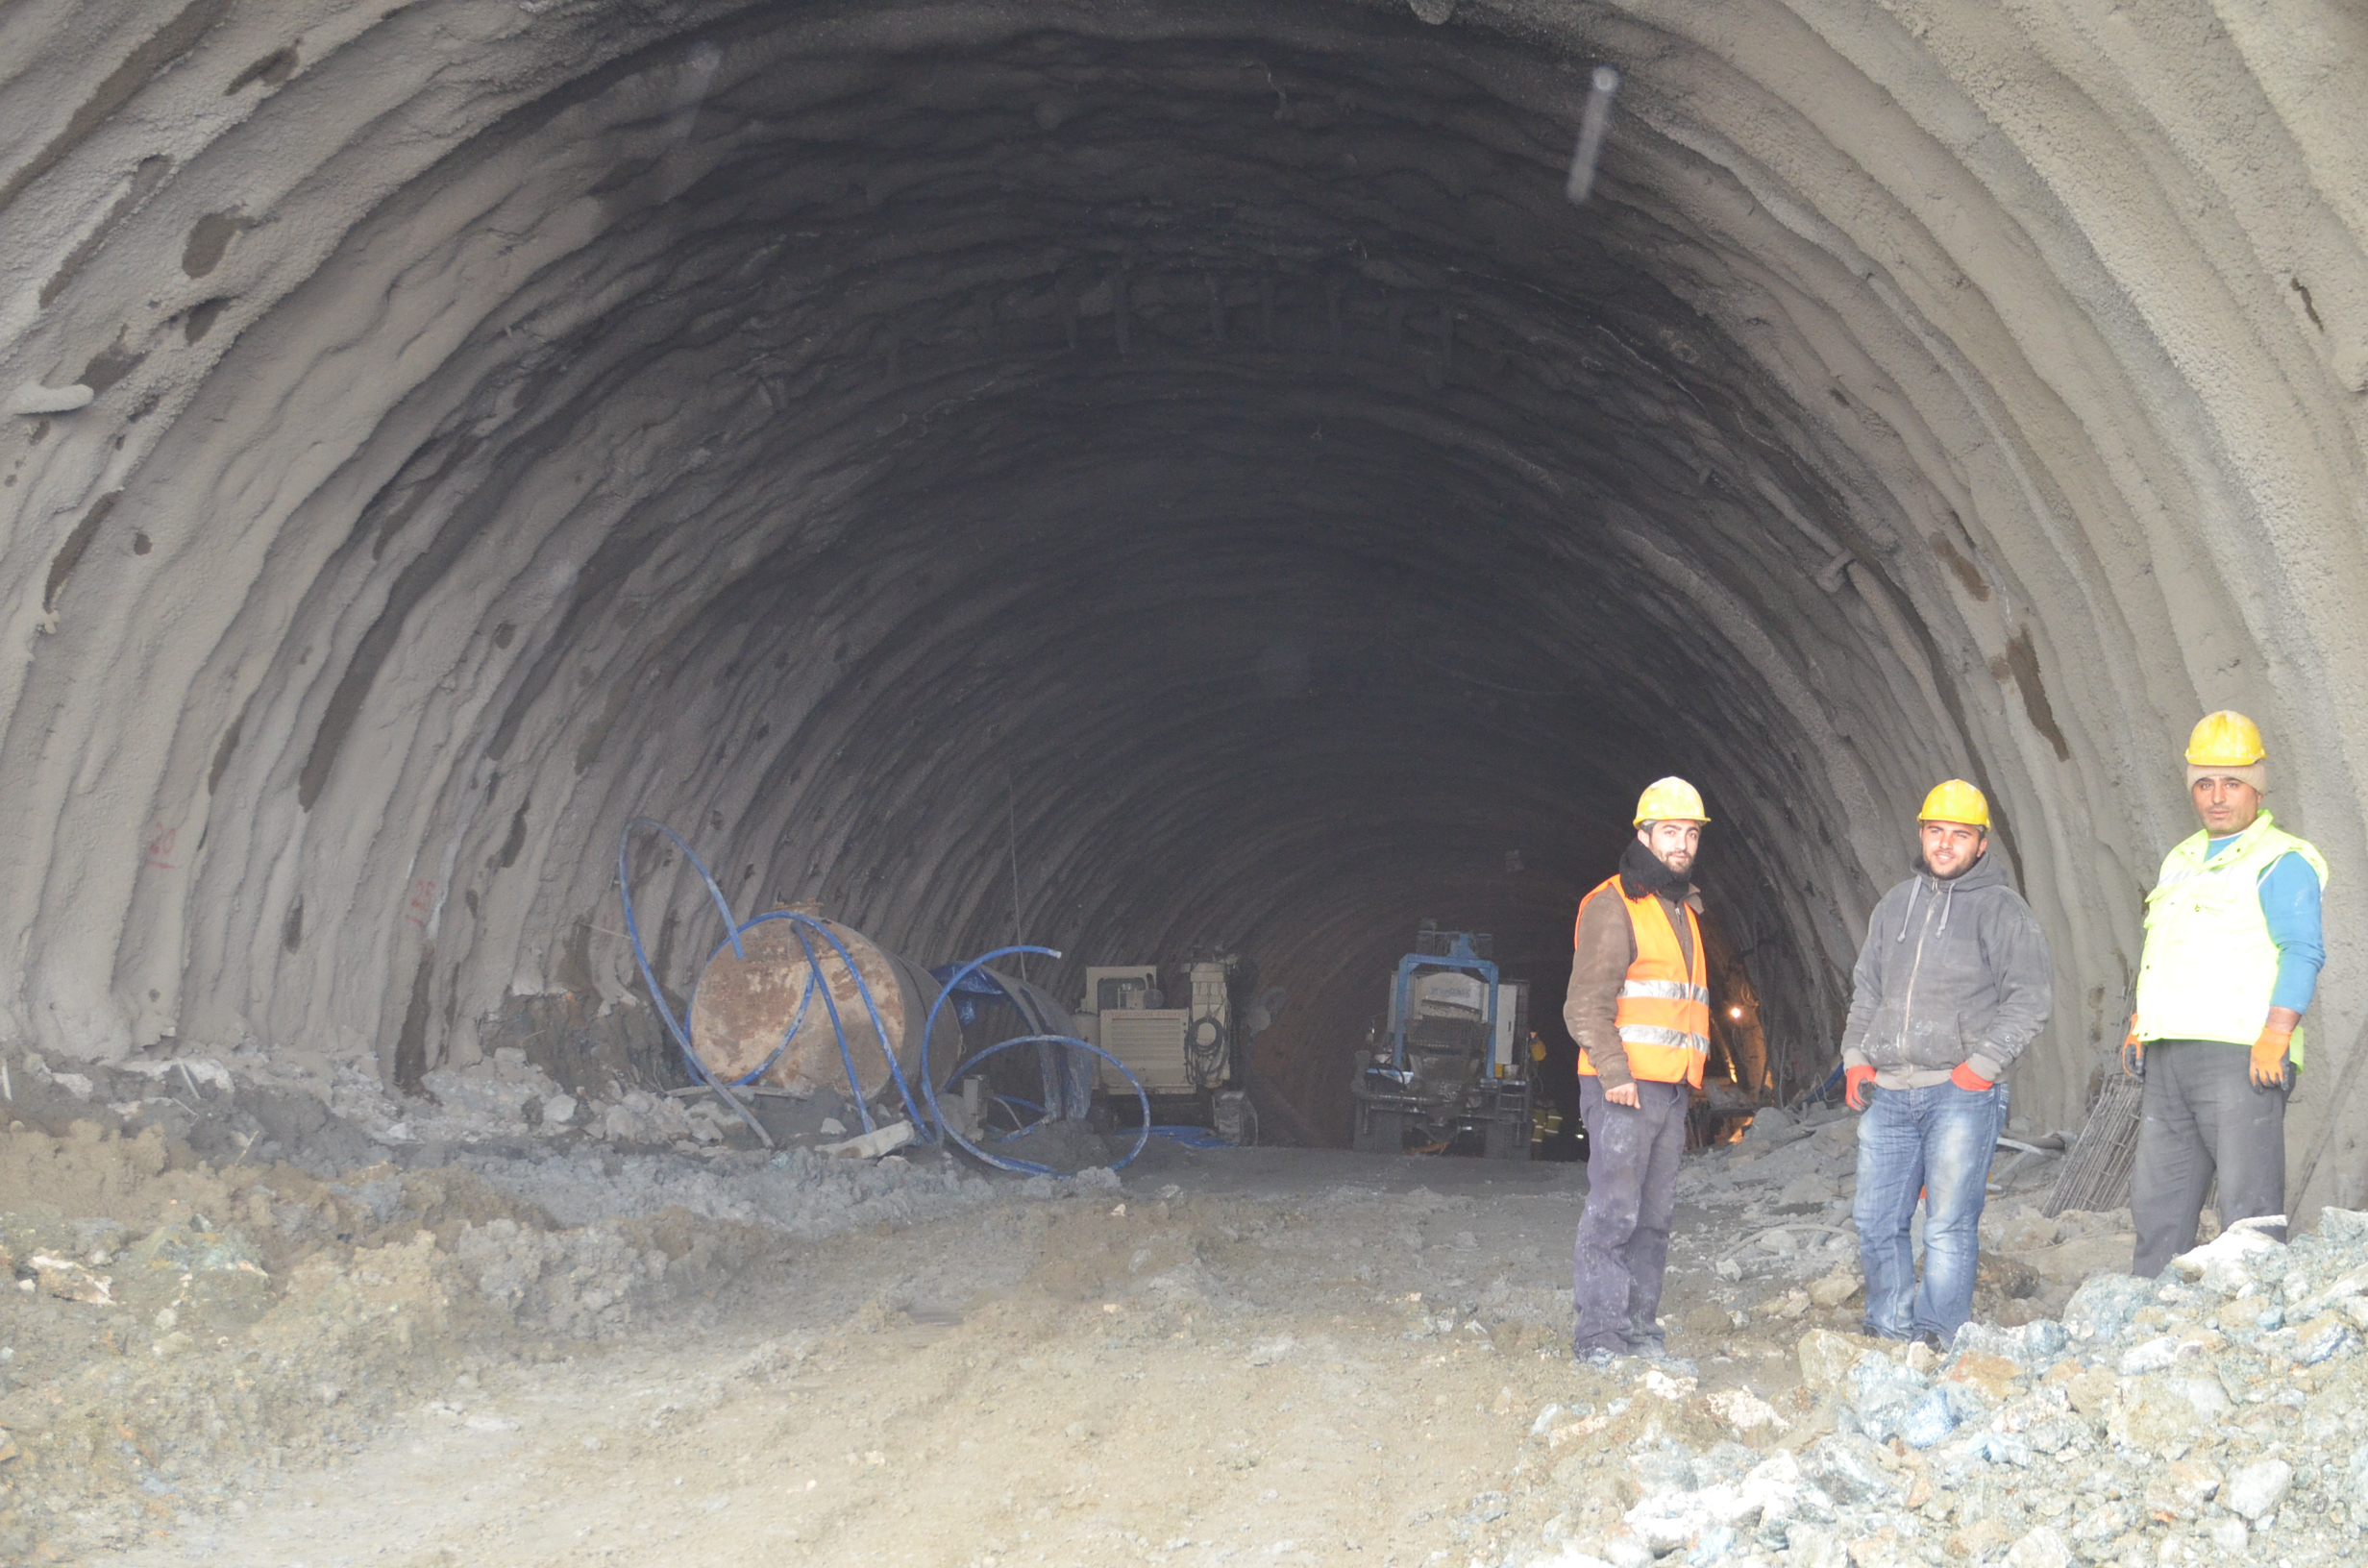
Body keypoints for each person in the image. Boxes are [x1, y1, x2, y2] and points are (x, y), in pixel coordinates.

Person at [1840, 779, 2052, 1349]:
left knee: (1948, 1223)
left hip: (1960, 1093)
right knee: (1876, 1220)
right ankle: (1887, 1325)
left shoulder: (2002, 910)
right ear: (1922, 834)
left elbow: (2030, 997)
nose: (1944, 844)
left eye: (1959, 835)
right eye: (1936, 831)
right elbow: (1867, 989)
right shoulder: (1894, 905)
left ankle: (1937, 1334)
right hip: (1888, 1092)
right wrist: (1856, 1057)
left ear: (1981, 845)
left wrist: (1980, 1067)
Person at [2126, 712, 2326, 1277]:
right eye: (2205, 782)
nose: (2217, 797)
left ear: (2257, 788)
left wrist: (2278, 1033)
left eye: (2232, 782)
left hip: (2242, 1055)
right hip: (2169, 1055)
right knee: (2159, 1205)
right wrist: (2144, 1021)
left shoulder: (2282, 861)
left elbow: (2302, 951)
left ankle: (2250, 1321)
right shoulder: (2182, 859)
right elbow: (2167, 946)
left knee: (2248, 1208)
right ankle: (2146, 1315)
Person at [1566, 776, 1712, 1367]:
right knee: (1614, 1213)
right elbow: (1586, 1003)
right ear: (1645, 835)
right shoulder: (1613, 903)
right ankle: (1599, 1339)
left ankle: (1640, 1333)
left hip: (1670, 1089)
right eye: (1670, 832)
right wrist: (1614, 1071)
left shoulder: (1683, 911)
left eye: (1690, 834)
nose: (1681, 844)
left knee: (1654, 1220)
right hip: (1623, 1085)